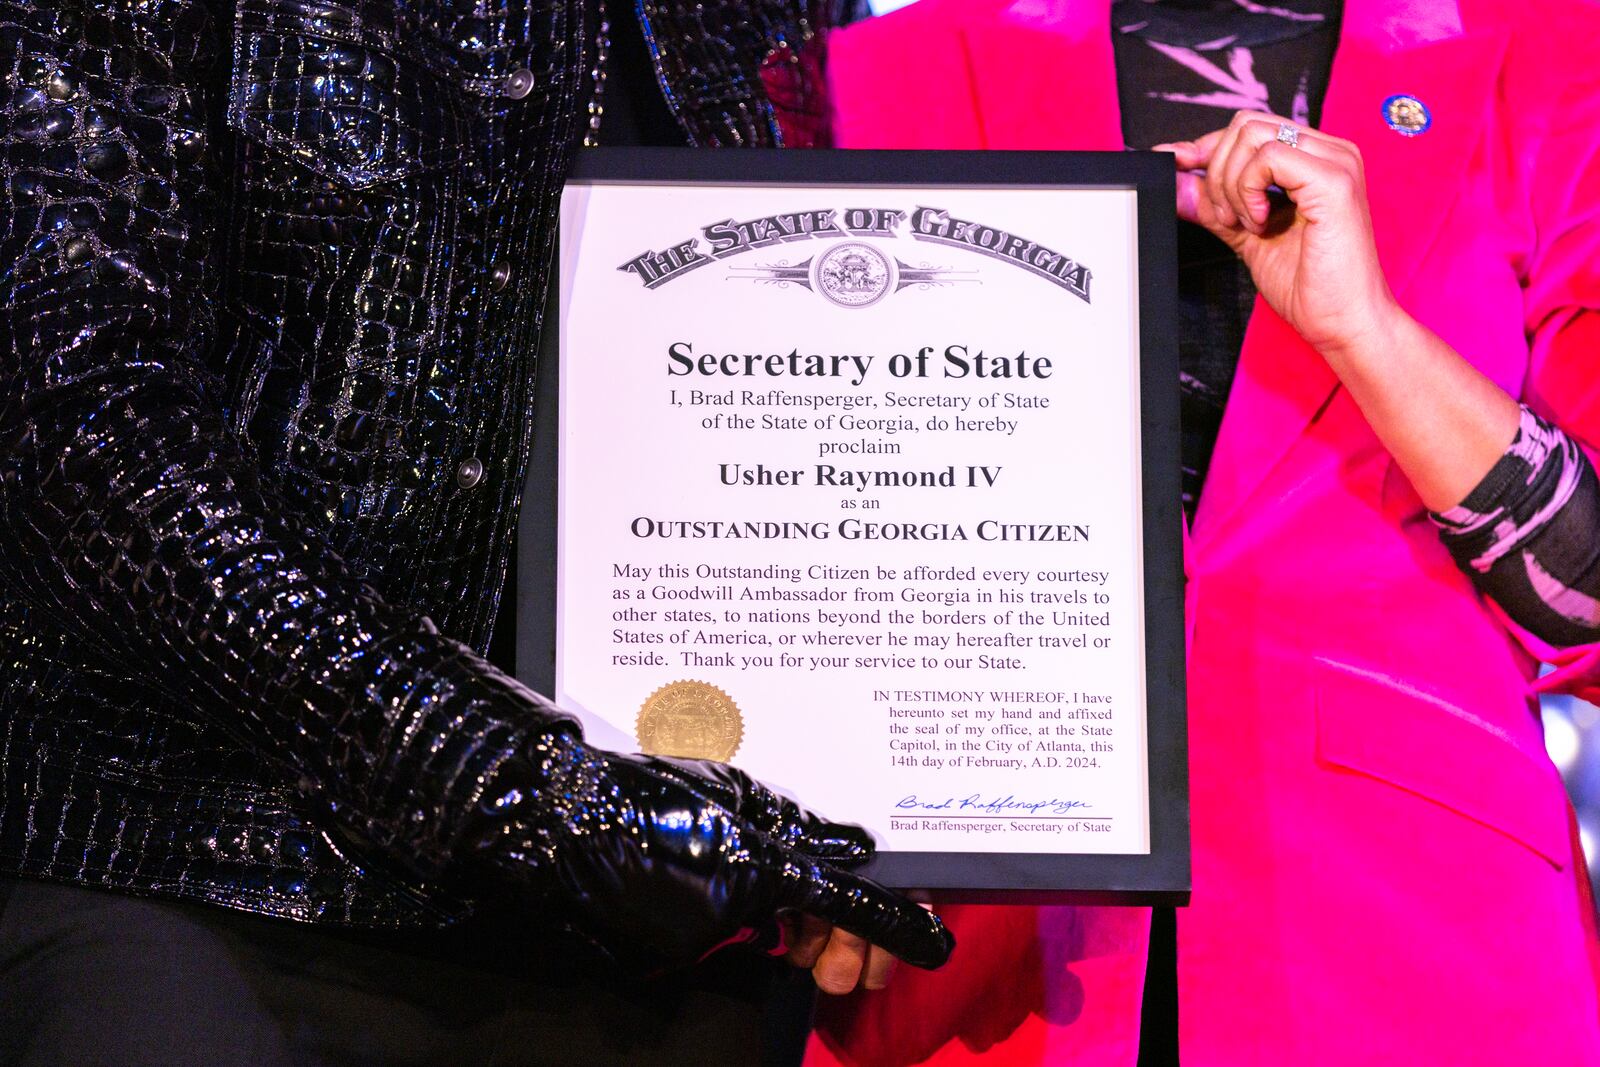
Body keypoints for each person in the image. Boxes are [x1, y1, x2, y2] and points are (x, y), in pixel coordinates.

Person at [0, 0, 949, 1063]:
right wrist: (505, 784)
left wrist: (837, 802)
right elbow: (69, 420)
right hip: (209, 875)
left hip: (656, 932)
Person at [792, 0, 1600, 1064]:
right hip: (973, 923)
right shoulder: (881, 67)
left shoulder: (1551, 55)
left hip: (1415, 923)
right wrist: (804, 819)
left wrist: (1364, 329)